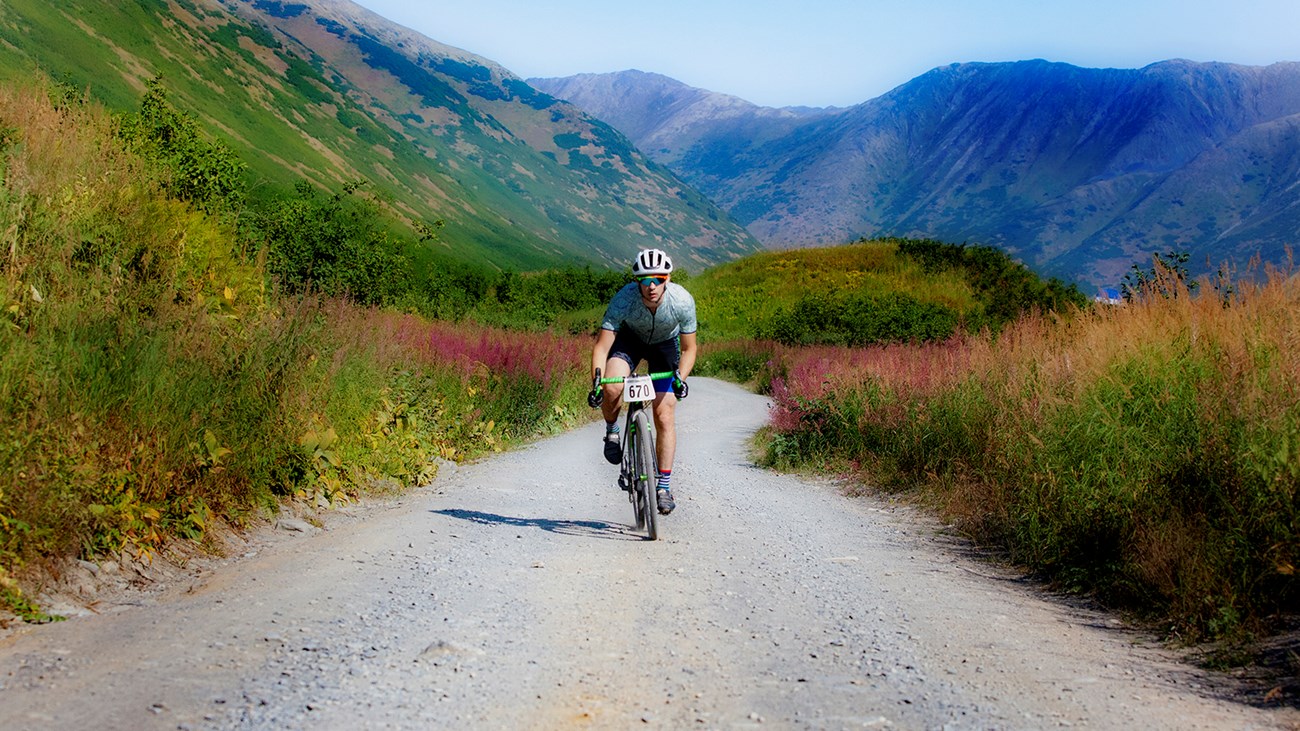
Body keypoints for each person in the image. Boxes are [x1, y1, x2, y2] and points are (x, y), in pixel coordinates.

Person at [587, 248, 696, 514]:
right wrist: (597, 383)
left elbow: (689, 349)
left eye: (658, 279)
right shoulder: (623, 300)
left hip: (665, 346)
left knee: (664, 412)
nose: (652, 286)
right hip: (631, 341)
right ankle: (612, 431)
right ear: (637, 282)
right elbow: (602, 347)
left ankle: (664, 486)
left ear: (667, 279)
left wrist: (679, 378)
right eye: (645, 281)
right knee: (613, 386)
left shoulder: (682, 301)